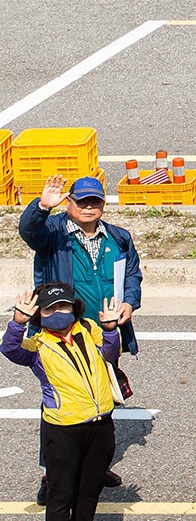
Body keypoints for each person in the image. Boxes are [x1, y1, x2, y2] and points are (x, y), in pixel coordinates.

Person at [19, 173, 140, 499]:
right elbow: (28, 231)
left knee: (102, 398)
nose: (89, 207)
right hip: (62, 335)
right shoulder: (52, 234)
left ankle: (95, 465)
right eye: (82, 201)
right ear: (69, 202)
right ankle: (51, 474)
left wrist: (129, 301)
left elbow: (132, 273)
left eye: (95, 202)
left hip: (104, 333)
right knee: (57, 407)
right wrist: (42, 206)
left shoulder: (119, 237)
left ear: (103, 204)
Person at [4, 282, 121, 521]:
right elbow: (9, 350)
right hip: (63, 429)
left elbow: (110, 353)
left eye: (63, 306)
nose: (58, 312)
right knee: (61, 493)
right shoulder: (36, 345)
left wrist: (110, 330)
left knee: (91, 485)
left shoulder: (88, 329)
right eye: (50, 309)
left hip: (100, 422)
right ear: (39, 315)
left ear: (75, 308)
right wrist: (17, 324)